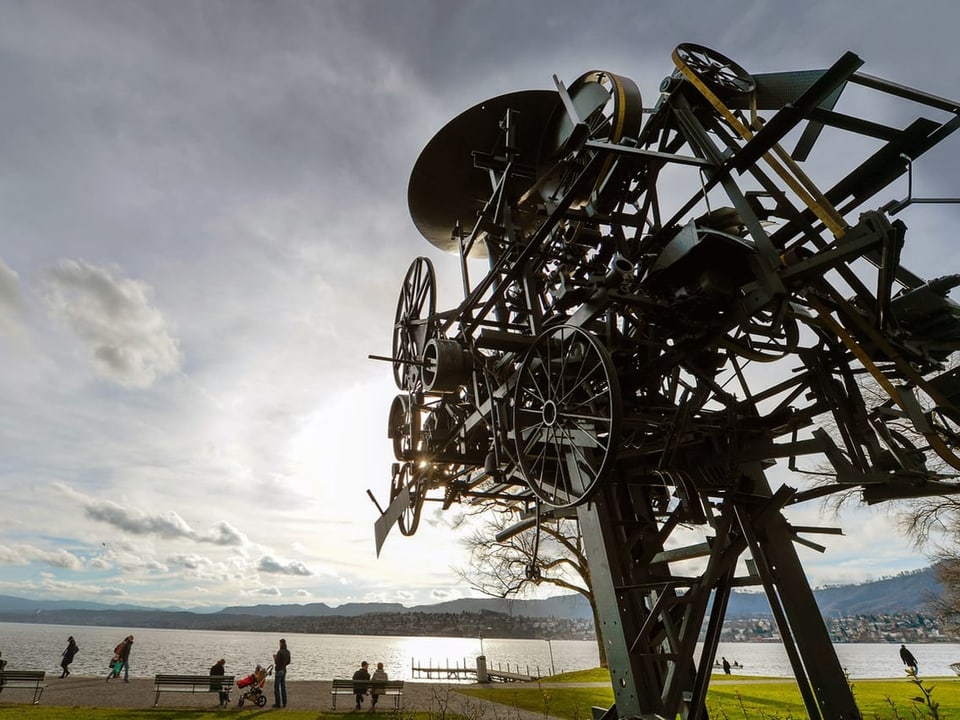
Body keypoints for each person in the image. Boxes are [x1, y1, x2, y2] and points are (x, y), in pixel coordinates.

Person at [272, 638, 290, 708]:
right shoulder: (288, 652)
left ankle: (278, 703)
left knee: (276, 687)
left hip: (279, 670)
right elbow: (289, 662)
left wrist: (274, 658)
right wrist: (284, 664)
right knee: (283, 687)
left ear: (281, 643)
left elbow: (276, 662)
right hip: (284, 670)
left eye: (279, 643)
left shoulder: (280, 652)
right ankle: (284, 703)